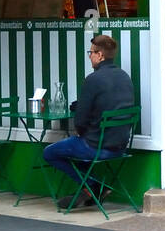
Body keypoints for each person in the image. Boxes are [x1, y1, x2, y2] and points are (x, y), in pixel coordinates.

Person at [41, 35, 136, 205]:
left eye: (90, 53)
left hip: (96, 147)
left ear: (100, 55)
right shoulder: (124, 77)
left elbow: (80, 121)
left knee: (50, 152)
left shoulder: (92, 80)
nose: (90, 56)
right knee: (75, 150)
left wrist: (83, 134)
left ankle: (92, 186)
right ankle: (90, 189)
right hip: (121, 146)